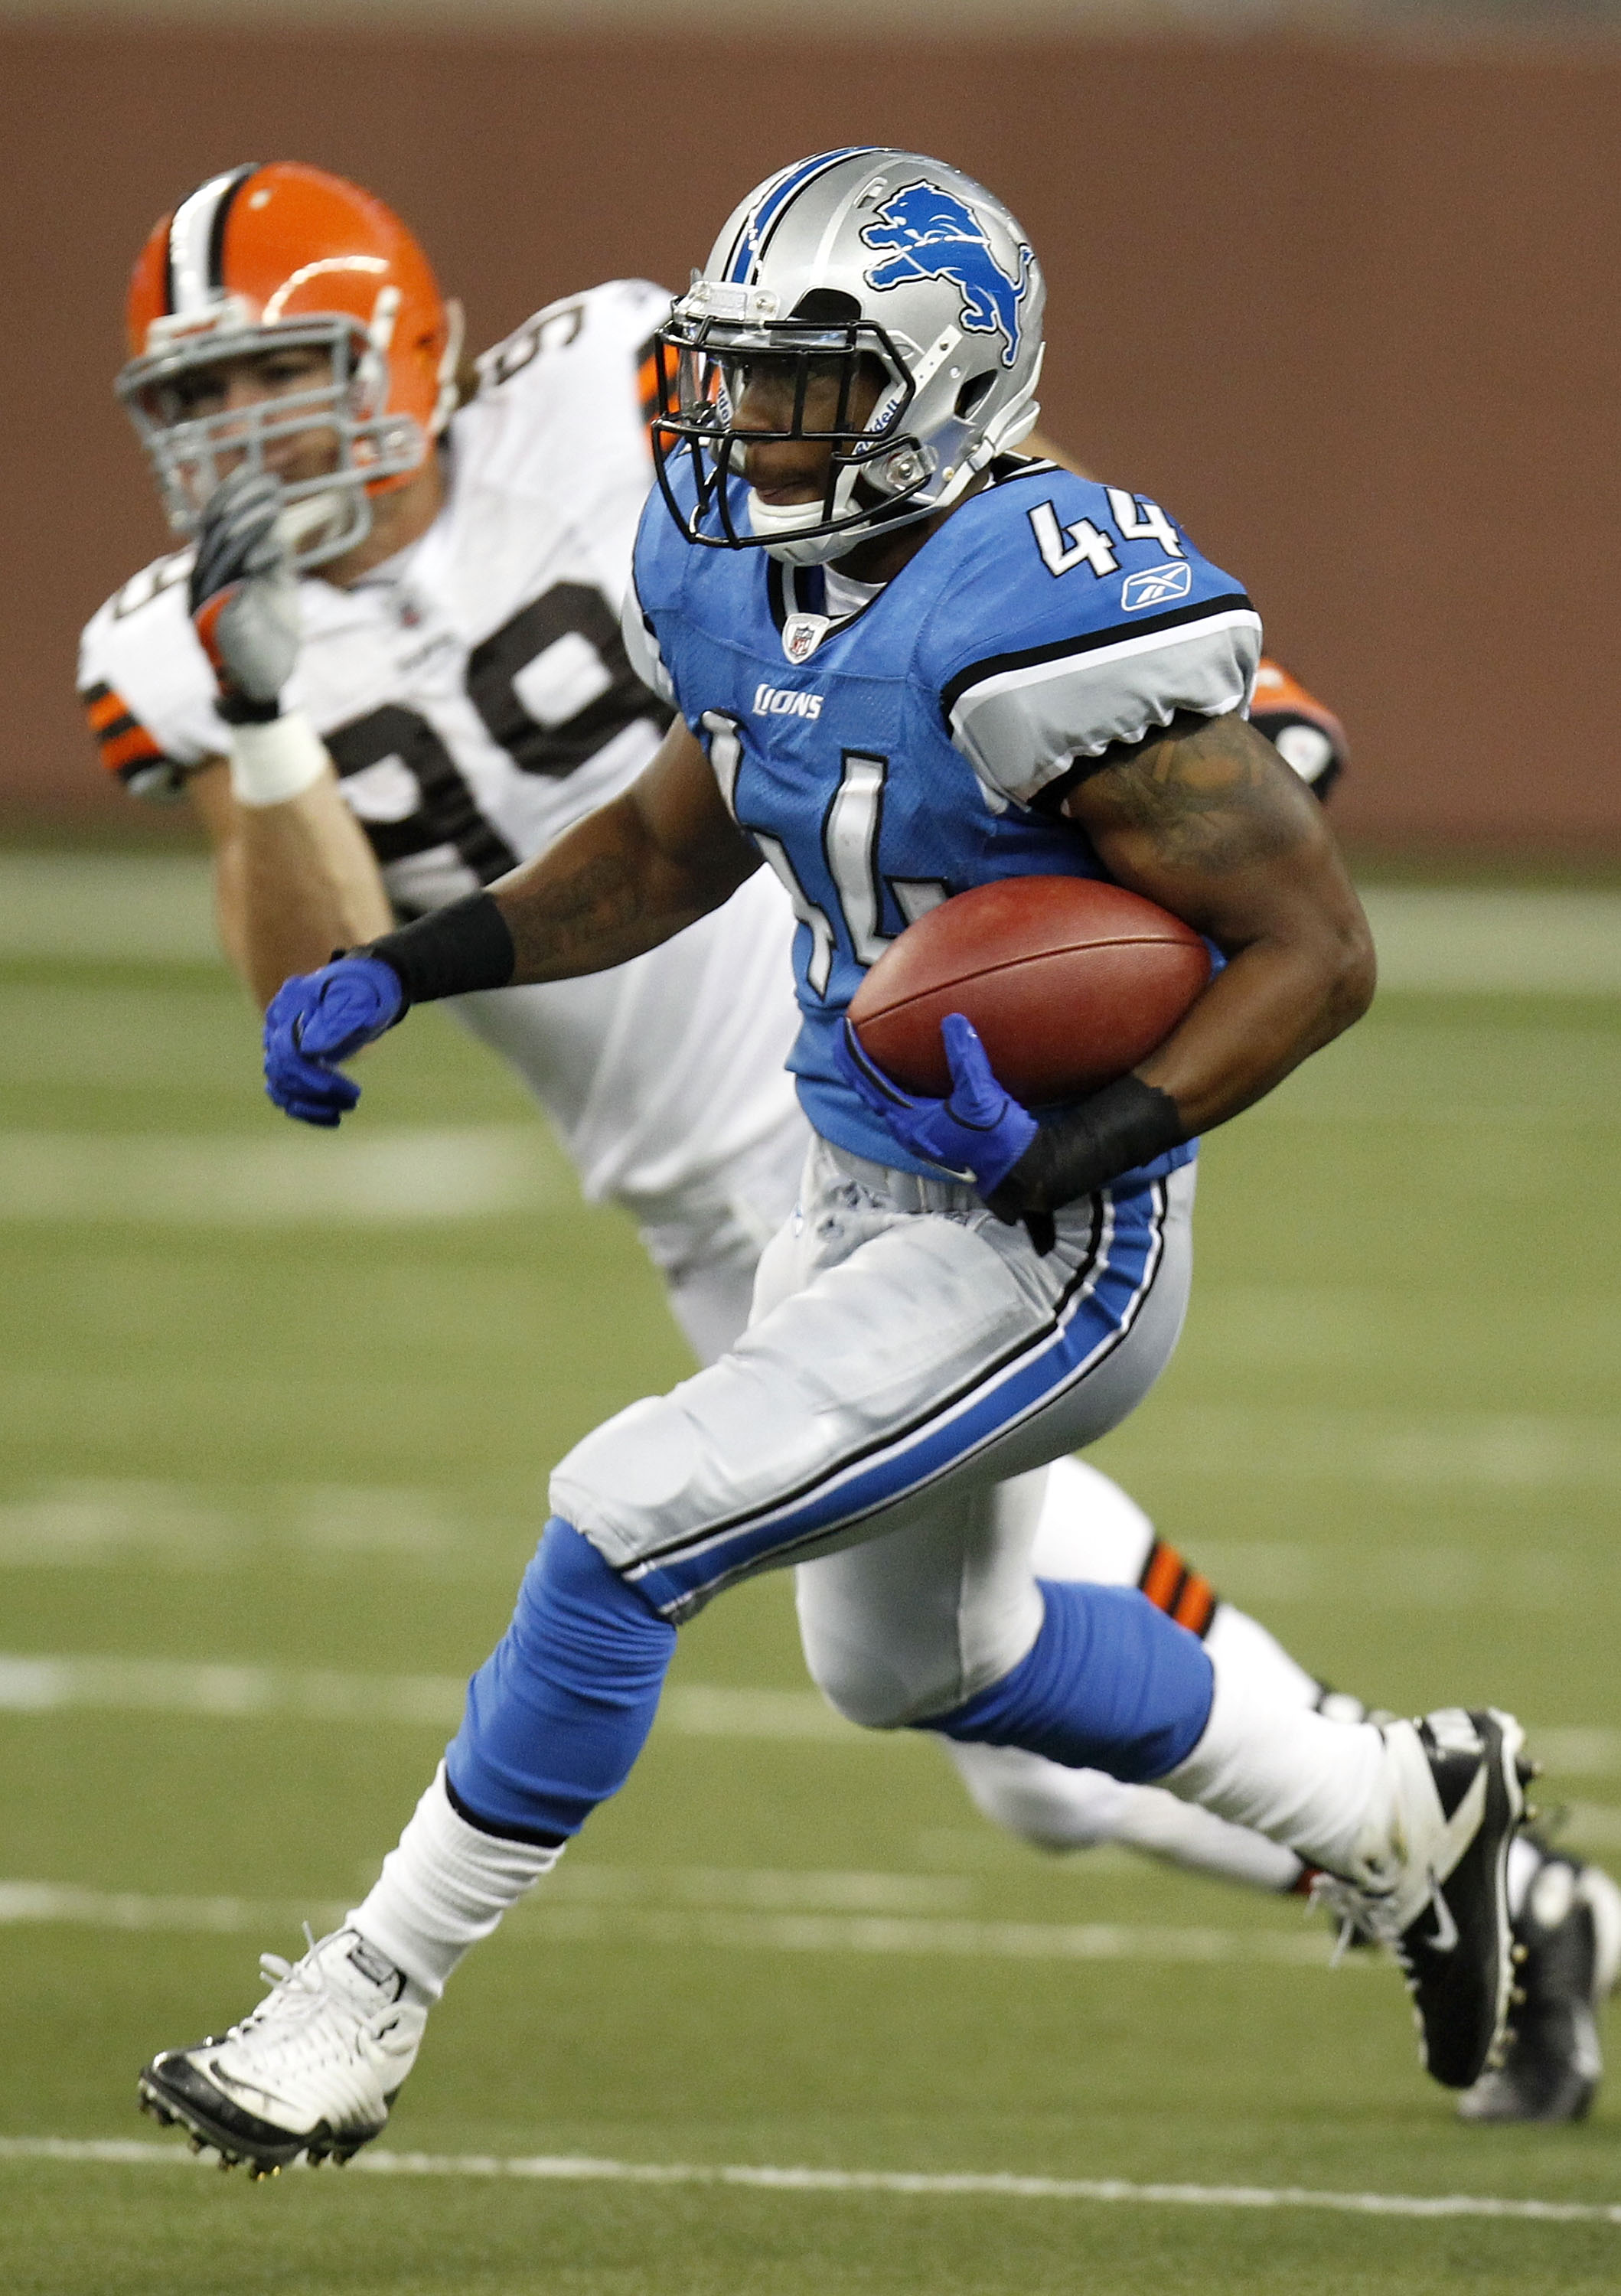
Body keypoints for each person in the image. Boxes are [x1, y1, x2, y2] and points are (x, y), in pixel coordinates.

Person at [86, 161, 1591, 2147]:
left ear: (927, 387)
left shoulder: (1039, 600)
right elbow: (660, 845)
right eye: (727, 381)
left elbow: (1319, 947)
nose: (731, 428)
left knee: (625, 1517)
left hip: (1042, 1229)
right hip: (841, 1184)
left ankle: (363, 2001)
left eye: (790, 387)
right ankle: (1415, 1815)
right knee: (930, 1674)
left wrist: (1100, 1125)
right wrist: (416, 964)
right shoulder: (718, 557)